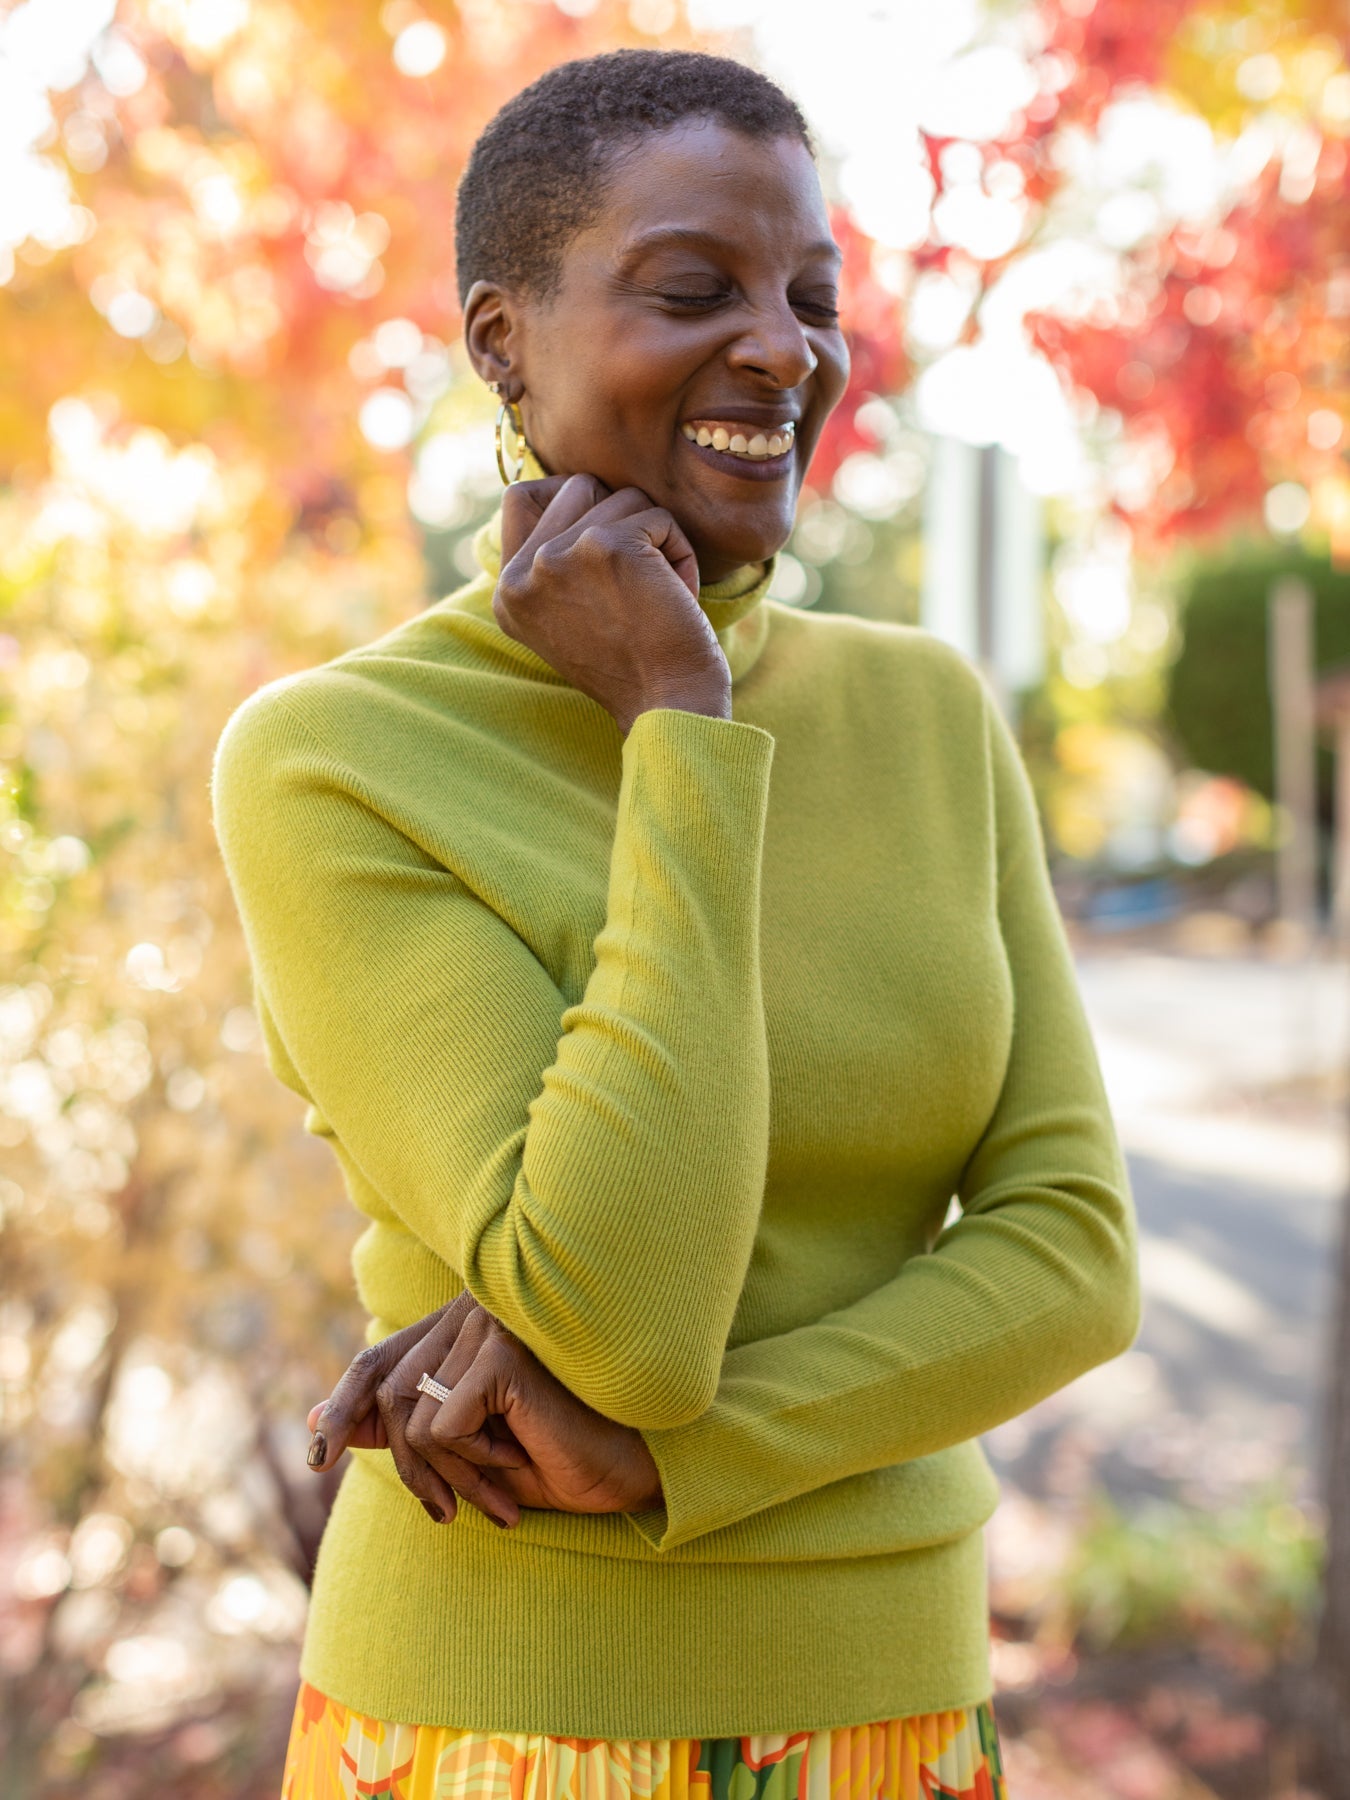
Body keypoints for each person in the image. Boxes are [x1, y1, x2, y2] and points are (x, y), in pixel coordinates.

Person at [212, 47, 1139, 1800]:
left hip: (899, 1706)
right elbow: (625, 1311)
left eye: (810, 297)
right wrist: (678, 741)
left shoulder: (929, 713)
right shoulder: (334, 758)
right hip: (500, 1717)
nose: (783, 349)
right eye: (693, 291)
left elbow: (1075, 1256)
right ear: (500, 339)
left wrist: (680, 1460)